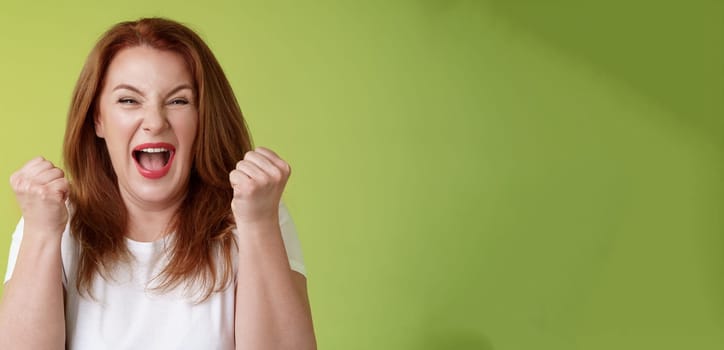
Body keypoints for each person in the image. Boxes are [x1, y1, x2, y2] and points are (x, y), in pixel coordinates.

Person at [0, 17, 316, 350]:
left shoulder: (257, 217)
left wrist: (259, 225)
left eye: (178, 101)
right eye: (128, 100)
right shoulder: (52, 223)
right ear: (98, 119)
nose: (154, 122)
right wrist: (39, 233)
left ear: (203, 117)